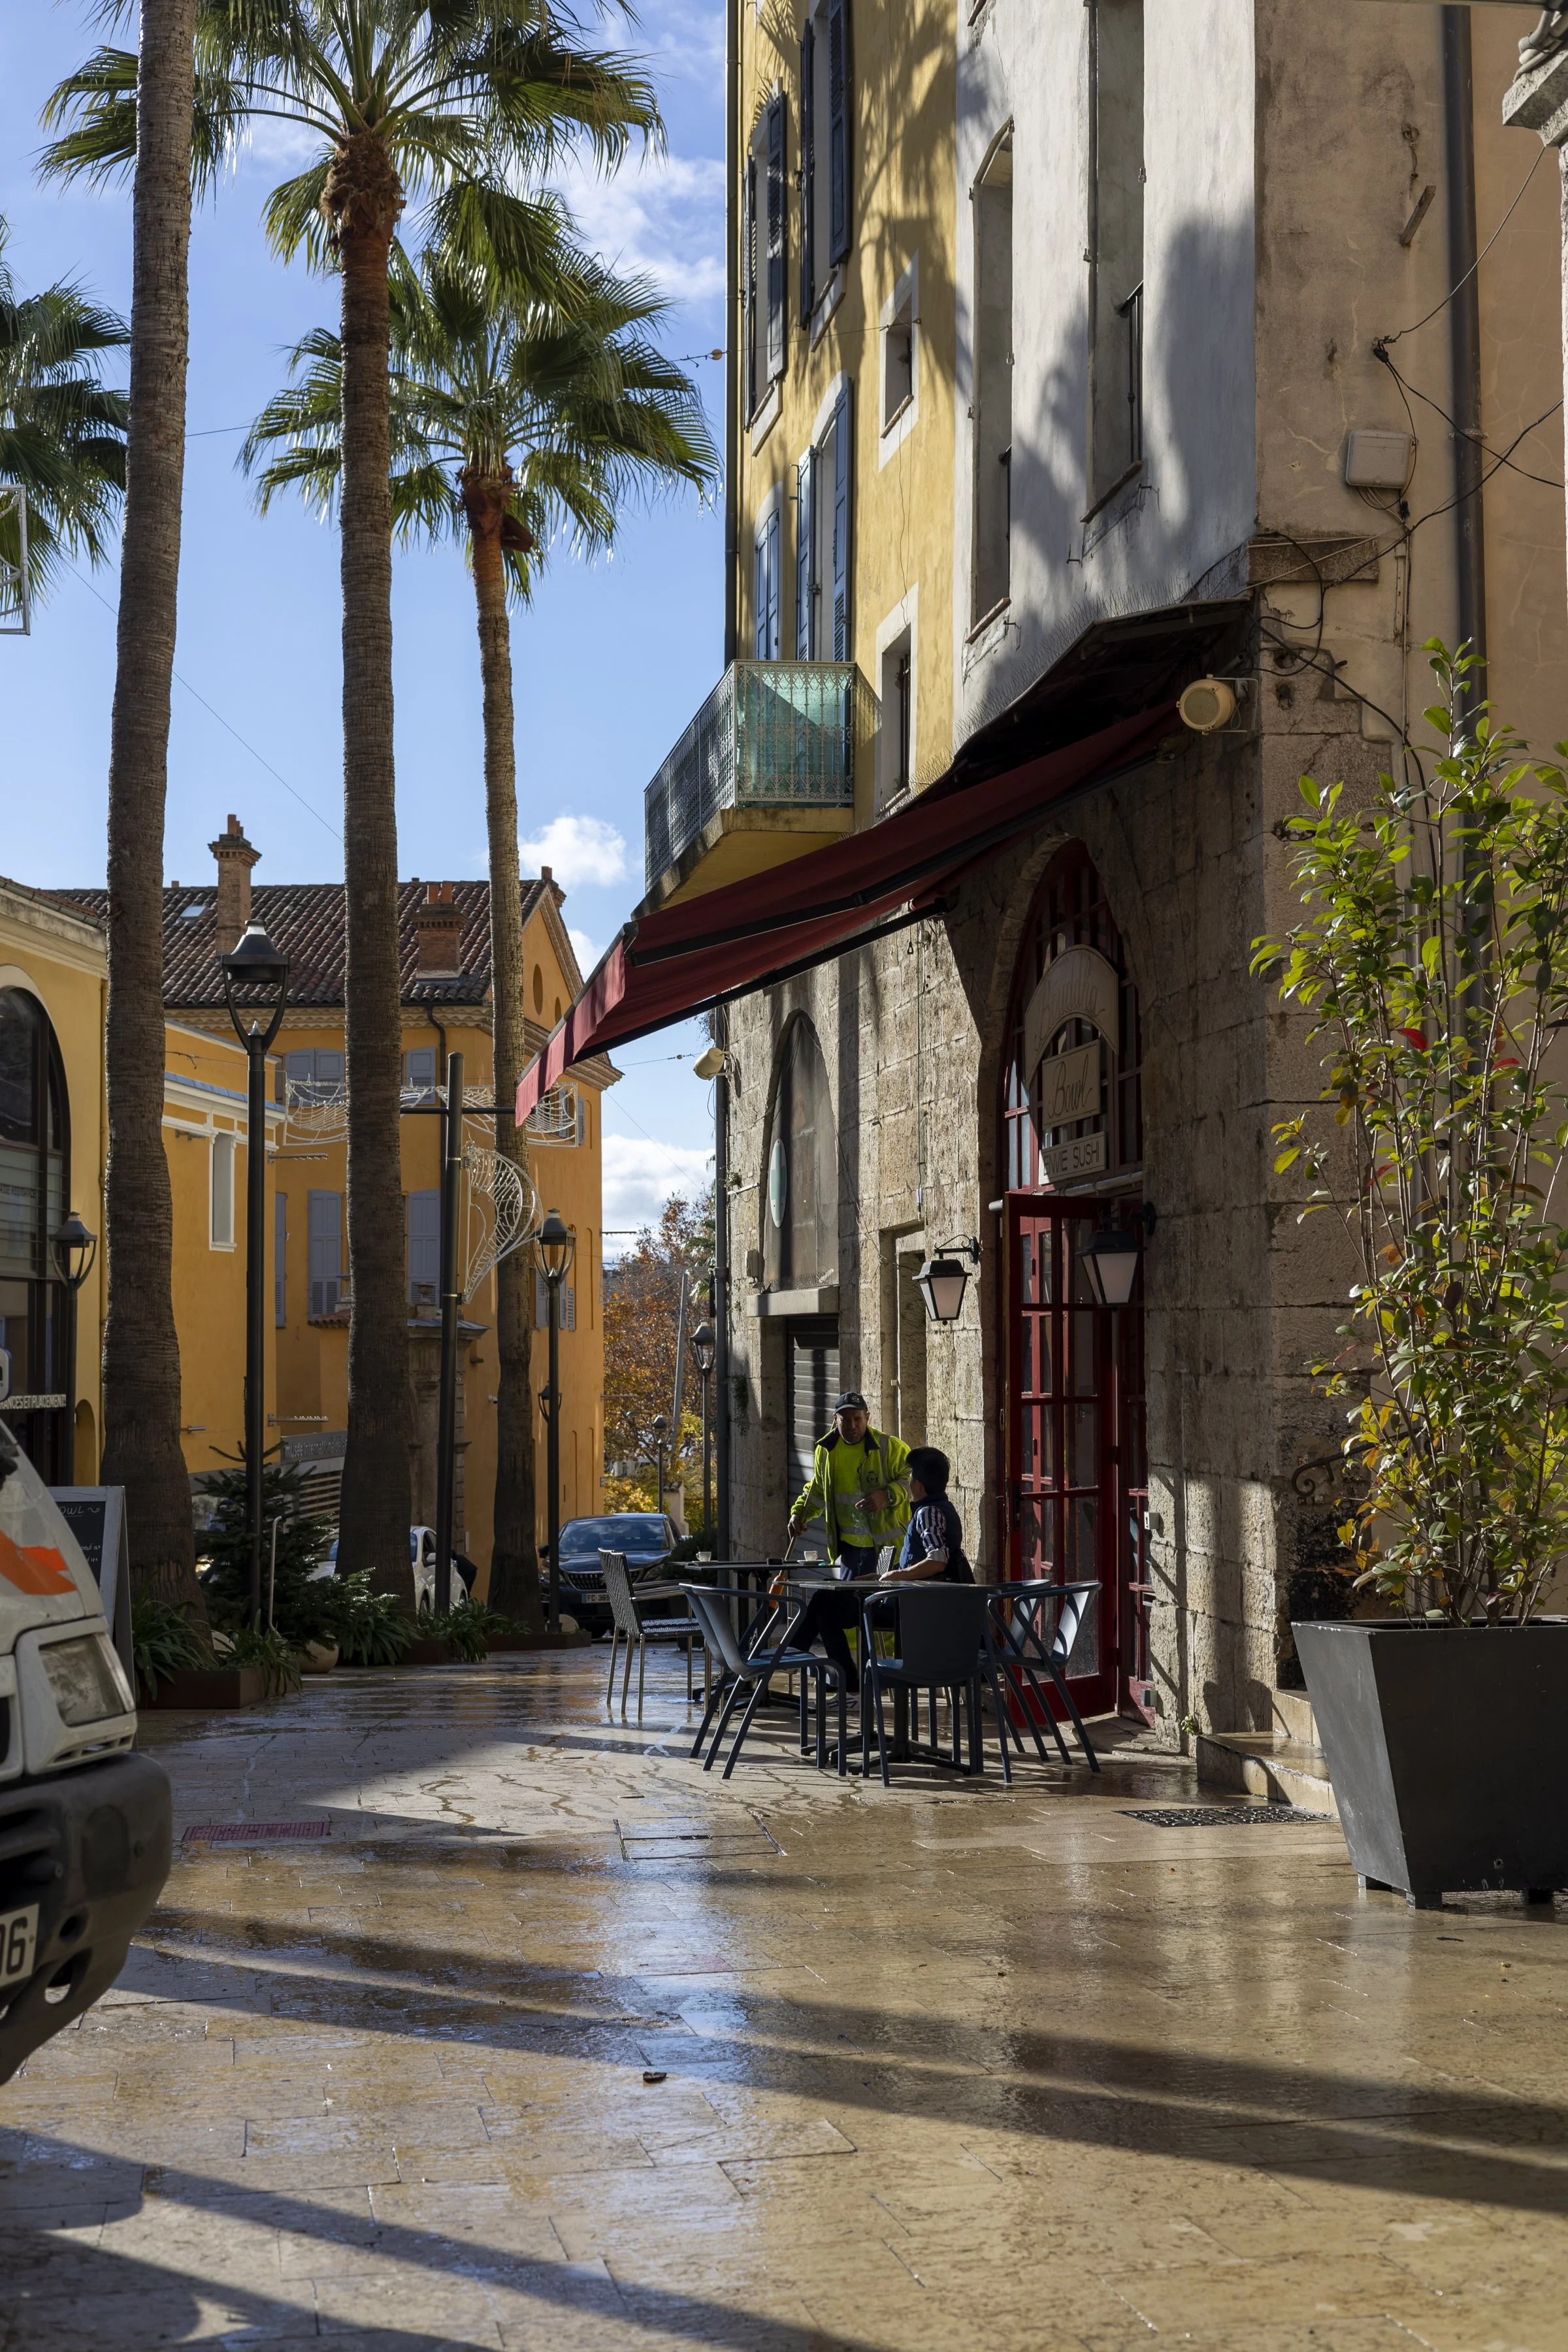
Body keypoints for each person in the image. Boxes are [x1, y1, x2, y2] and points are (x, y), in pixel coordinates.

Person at [791, 1445, 970, 1695]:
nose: (909, 1483)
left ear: (918, 1485)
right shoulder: (941, 1508)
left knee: (824, 1601)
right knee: (827, 1609)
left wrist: (893, 1576)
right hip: (913, 1603)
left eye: (910, 1478)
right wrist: (885, 1575)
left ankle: (795, 1655)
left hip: (909, 1609)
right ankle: (847, 1683)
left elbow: (937, 1560)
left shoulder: (927, 1513)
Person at [787, 1392, 910, 1578]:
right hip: (850, 1550)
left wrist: (887, 1495)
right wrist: (800, 1514)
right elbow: (818, 1490)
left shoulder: (890, 1447)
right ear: (835, 1419)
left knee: (881, 1601)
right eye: (845, 1420)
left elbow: (912, 1483)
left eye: (857, 1419)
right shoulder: (826, 1450)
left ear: (867, 1417)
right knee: (850, 1602)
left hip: (888, 1549)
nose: (852, 1426)